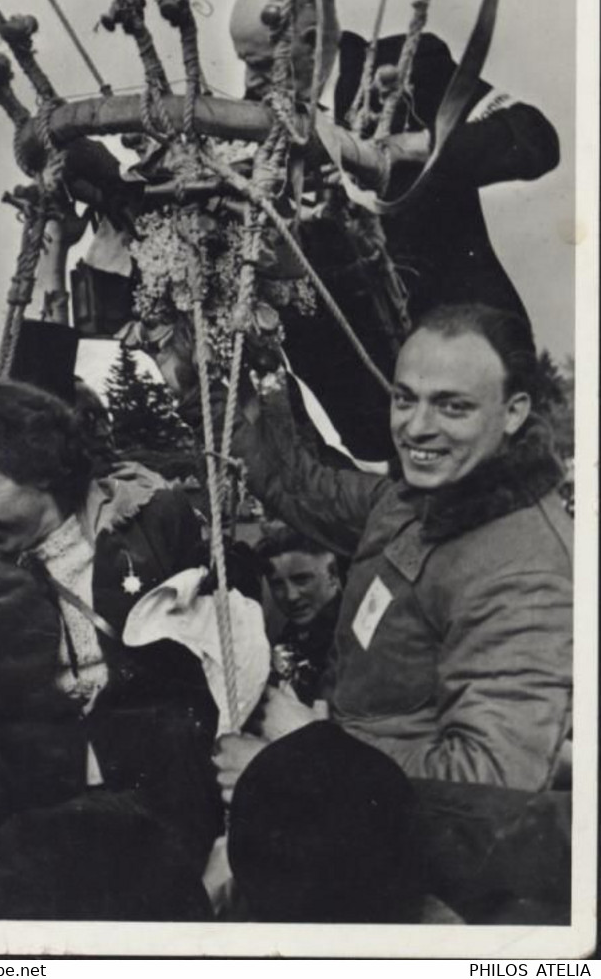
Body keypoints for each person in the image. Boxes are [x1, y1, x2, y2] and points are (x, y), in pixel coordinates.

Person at [215, 303, 572, 921]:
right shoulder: (414, 499)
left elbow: (486, 795)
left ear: (514, 413)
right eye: (405, 399)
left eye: (452, 406)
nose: (416, 427)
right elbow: (301, 485)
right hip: (332, 826)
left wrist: (300, 756)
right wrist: (219, 382)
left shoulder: (526, 571)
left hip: (410, 890)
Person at [0, 378, 223, 918]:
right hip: (30, 825)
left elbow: (216, 654)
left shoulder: (149, 524)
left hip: (158, 813)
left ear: (43, 475)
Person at [229, 0, 560, 458]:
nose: (251, 81)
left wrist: (414, 147)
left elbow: (534, 138)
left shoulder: (406, 66)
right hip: (372, 398)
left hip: (473, 357)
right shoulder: (261, 115)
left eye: (259, 63)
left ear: (312, 40)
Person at [255, 527, 343, 705]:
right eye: (277, 584)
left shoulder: (351, 640)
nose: (290, 595)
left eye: (302, 579)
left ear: (333, 575)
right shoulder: (292, 634)